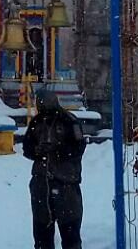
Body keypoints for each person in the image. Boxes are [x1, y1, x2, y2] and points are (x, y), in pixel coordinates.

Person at [22, 87, 87, 249]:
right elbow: (27, 147)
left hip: (65, 183)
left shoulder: (68, 120)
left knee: (70, 235)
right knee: (42, 236)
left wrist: (58, 151)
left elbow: (78, 147)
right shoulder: (37, 122)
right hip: (42, 184)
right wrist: (38, 151)